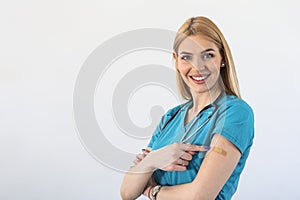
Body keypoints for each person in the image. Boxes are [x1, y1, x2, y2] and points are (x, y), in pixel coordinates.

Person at [120, 16, 254, 200]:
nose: (197, 67)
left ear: (222, 58)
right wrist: (152, 160)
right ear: (176, 60)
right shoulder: (170, 118)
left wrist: (152, 190)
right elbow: (127, 193)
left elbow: (199, 197)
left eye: (208, 55)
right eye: (186, 57)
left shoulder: (235, 113)